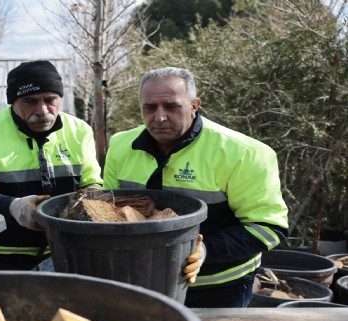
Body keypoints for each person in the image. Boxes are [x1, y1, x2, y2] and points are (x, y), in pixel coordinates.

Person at [103, 67, 289, 308]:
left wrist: (205, 251)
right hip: (141, 282)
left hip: (219, 289)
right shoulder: (120, 146)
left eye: (171, 106)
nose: (159, 117)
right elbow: (106, 212)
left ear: (194, 105)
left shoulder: (244, 153)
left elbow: (269, 227)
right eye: (150, 107)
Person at [0, 60, 103, 271]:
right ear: (13, 102)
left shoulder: (79, 131)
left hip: (65, 252)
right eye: (30, 101)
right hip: (0, 257)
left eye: (50, 99)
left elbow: (93, 183)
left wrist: (92, 198)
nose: (42, 110)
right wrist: (11, 207)